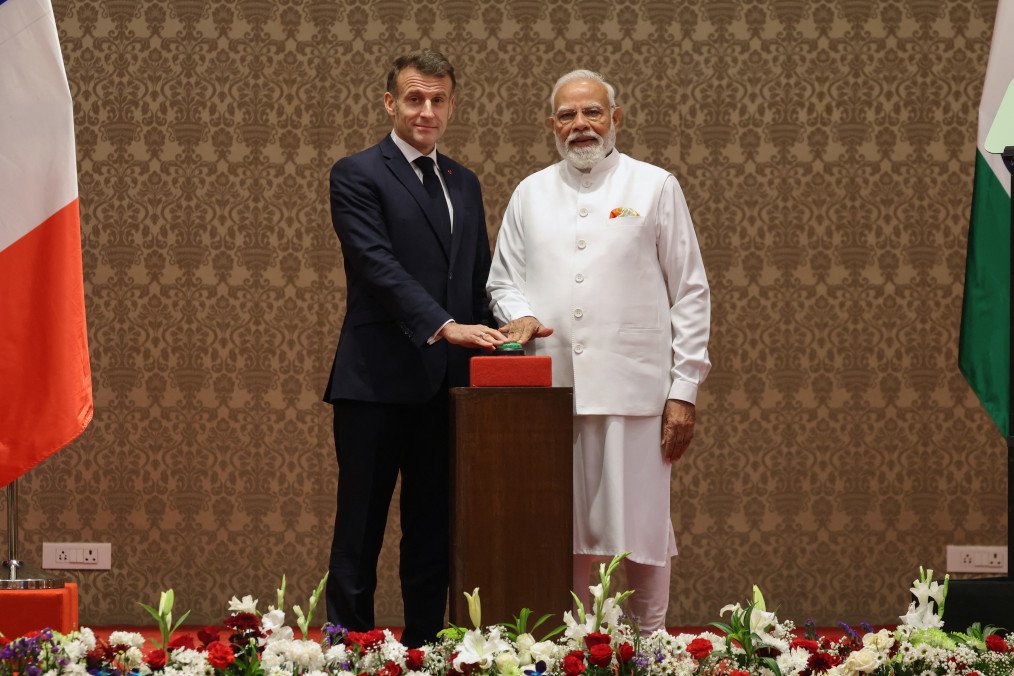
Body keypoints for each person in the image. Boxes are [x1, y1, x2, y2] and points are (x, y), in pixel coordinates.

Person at [486, 69, 711, 633]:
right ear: (551, 125)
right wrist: (521, 314)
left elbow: (690, 291)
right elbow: (502, 280)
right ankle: (573, 646)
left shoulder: (655, 186)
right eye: (567, 115)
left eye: (592, 112)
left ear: (616, 118)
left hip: (635, 388)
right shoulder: (530, 192)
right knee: (561, 529)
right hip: (549, 391)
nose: (580, 125)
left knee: (643, 529)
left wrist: (683, 392)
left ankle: (651, 643)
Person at [323, 49, 506, 647]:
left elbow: (477, 276)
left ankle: (426, 648)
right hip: (374, 383)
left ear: (452, 105)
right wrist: (443, 324)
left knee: (432, 529)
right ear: (390, 103)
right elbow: (377, 267)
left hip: (446, 385)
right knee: (360, 529)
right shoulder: (356, 173)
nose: (426, 111)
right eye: (414, 99)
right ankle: (350, 651)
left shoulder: (464, 181)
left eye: (438, 100)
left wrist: (510, 322)